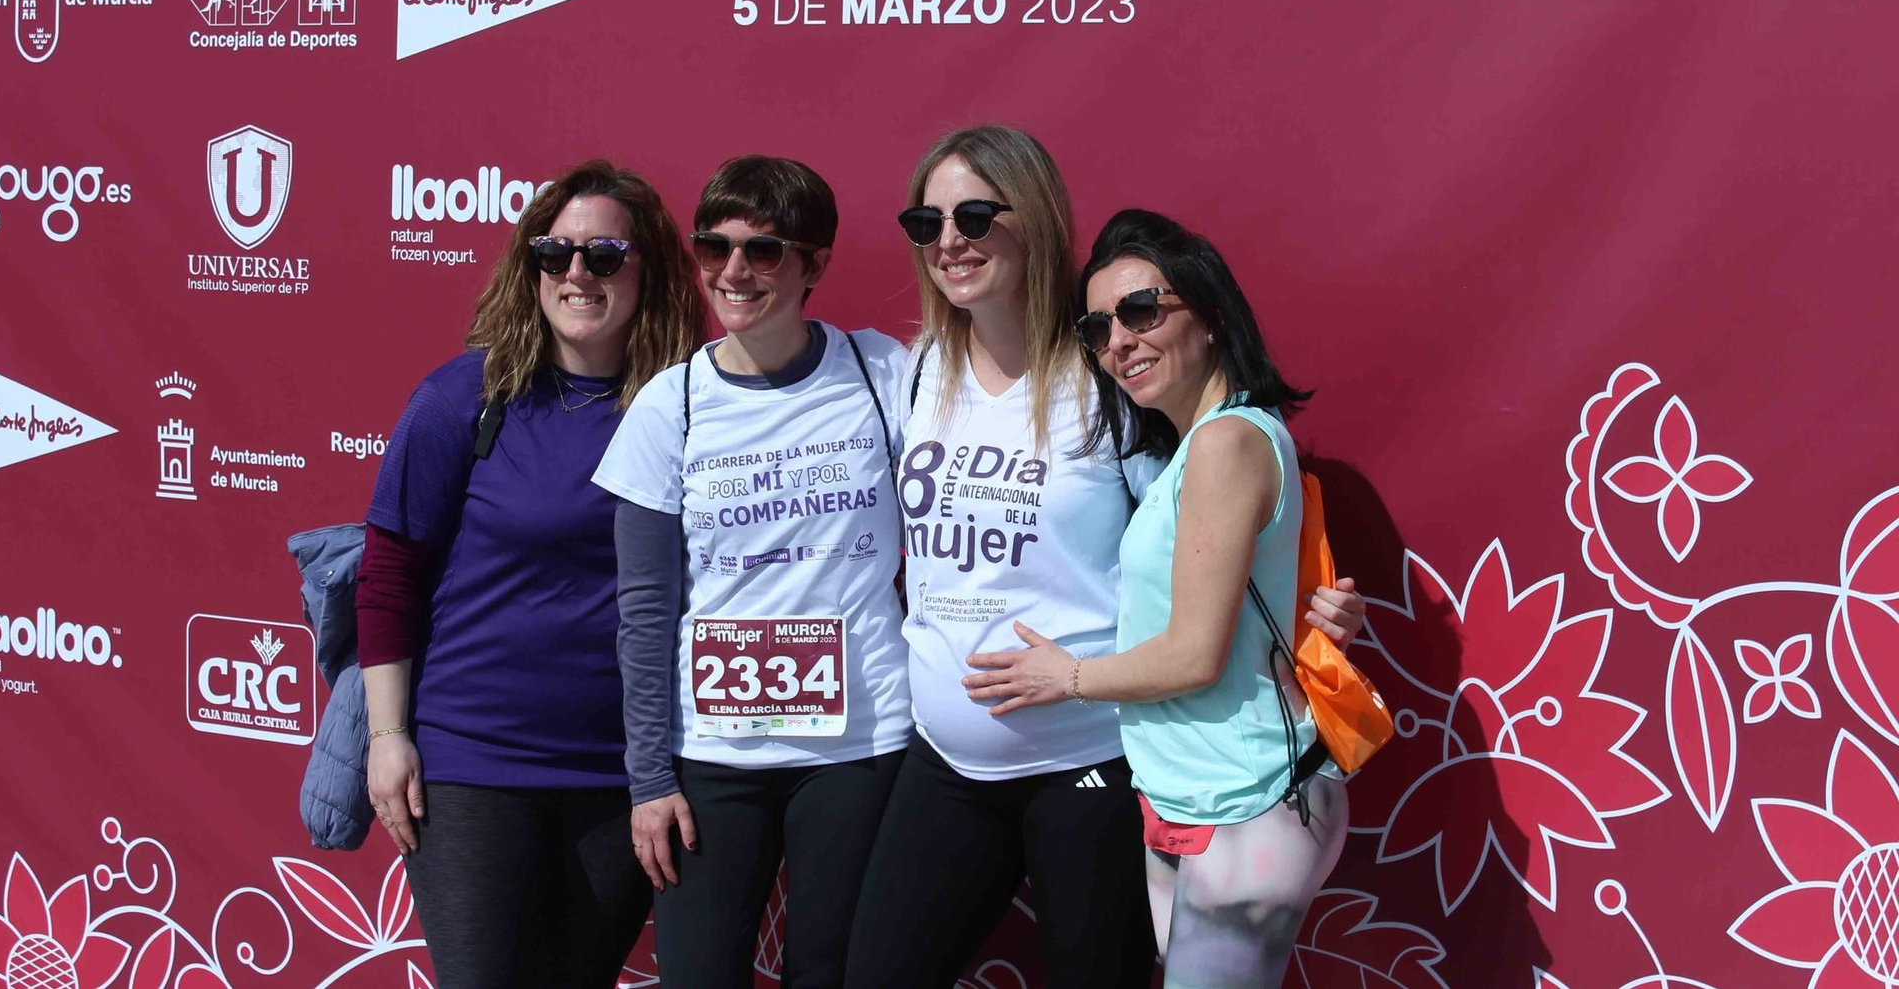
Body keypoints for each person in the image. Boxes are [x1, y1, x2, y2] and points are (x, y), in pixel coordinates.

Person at [845, 128, 1365, 988]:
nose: (948, 238)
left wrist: (1315, 597)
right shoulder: (916, 371)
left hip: (1091, 761)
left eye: (974, 212)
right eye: (924, 219)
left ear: (1036, 218)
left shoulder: (1111, 382)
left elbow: (1222, 512)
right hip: (946, 761)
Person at [961, 208, 1350, 989]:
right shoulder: (1198, 445)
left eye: (1142, 310)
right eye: (1098, 327)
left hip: (1249, 800)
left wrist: (1063, 677)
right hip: (1197, 796)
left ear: (1208, 314)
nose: (1119, 341)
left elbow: (1194, 654)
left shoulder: (1226, 442)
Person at [355, 159, 704, 989]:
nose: (577, 272)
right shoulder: (467, 397)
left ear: (647, 266)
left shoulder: (693, 406)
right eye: (555, 253)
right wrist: (387, 735)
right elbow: (389, 575)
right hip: (476, 766)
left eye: (605, 254)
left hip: (623, 774)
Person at [595, 155, 913, 989]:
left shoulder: (885, 375)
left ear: (815, 265)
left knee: (833, 973)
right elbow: (644, 608)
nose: (733, 271)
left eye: (764, 250)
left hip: (858, 747)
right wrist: (650, 779)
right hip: (712, 759)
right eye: (714, 245)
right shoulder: (672, 403)